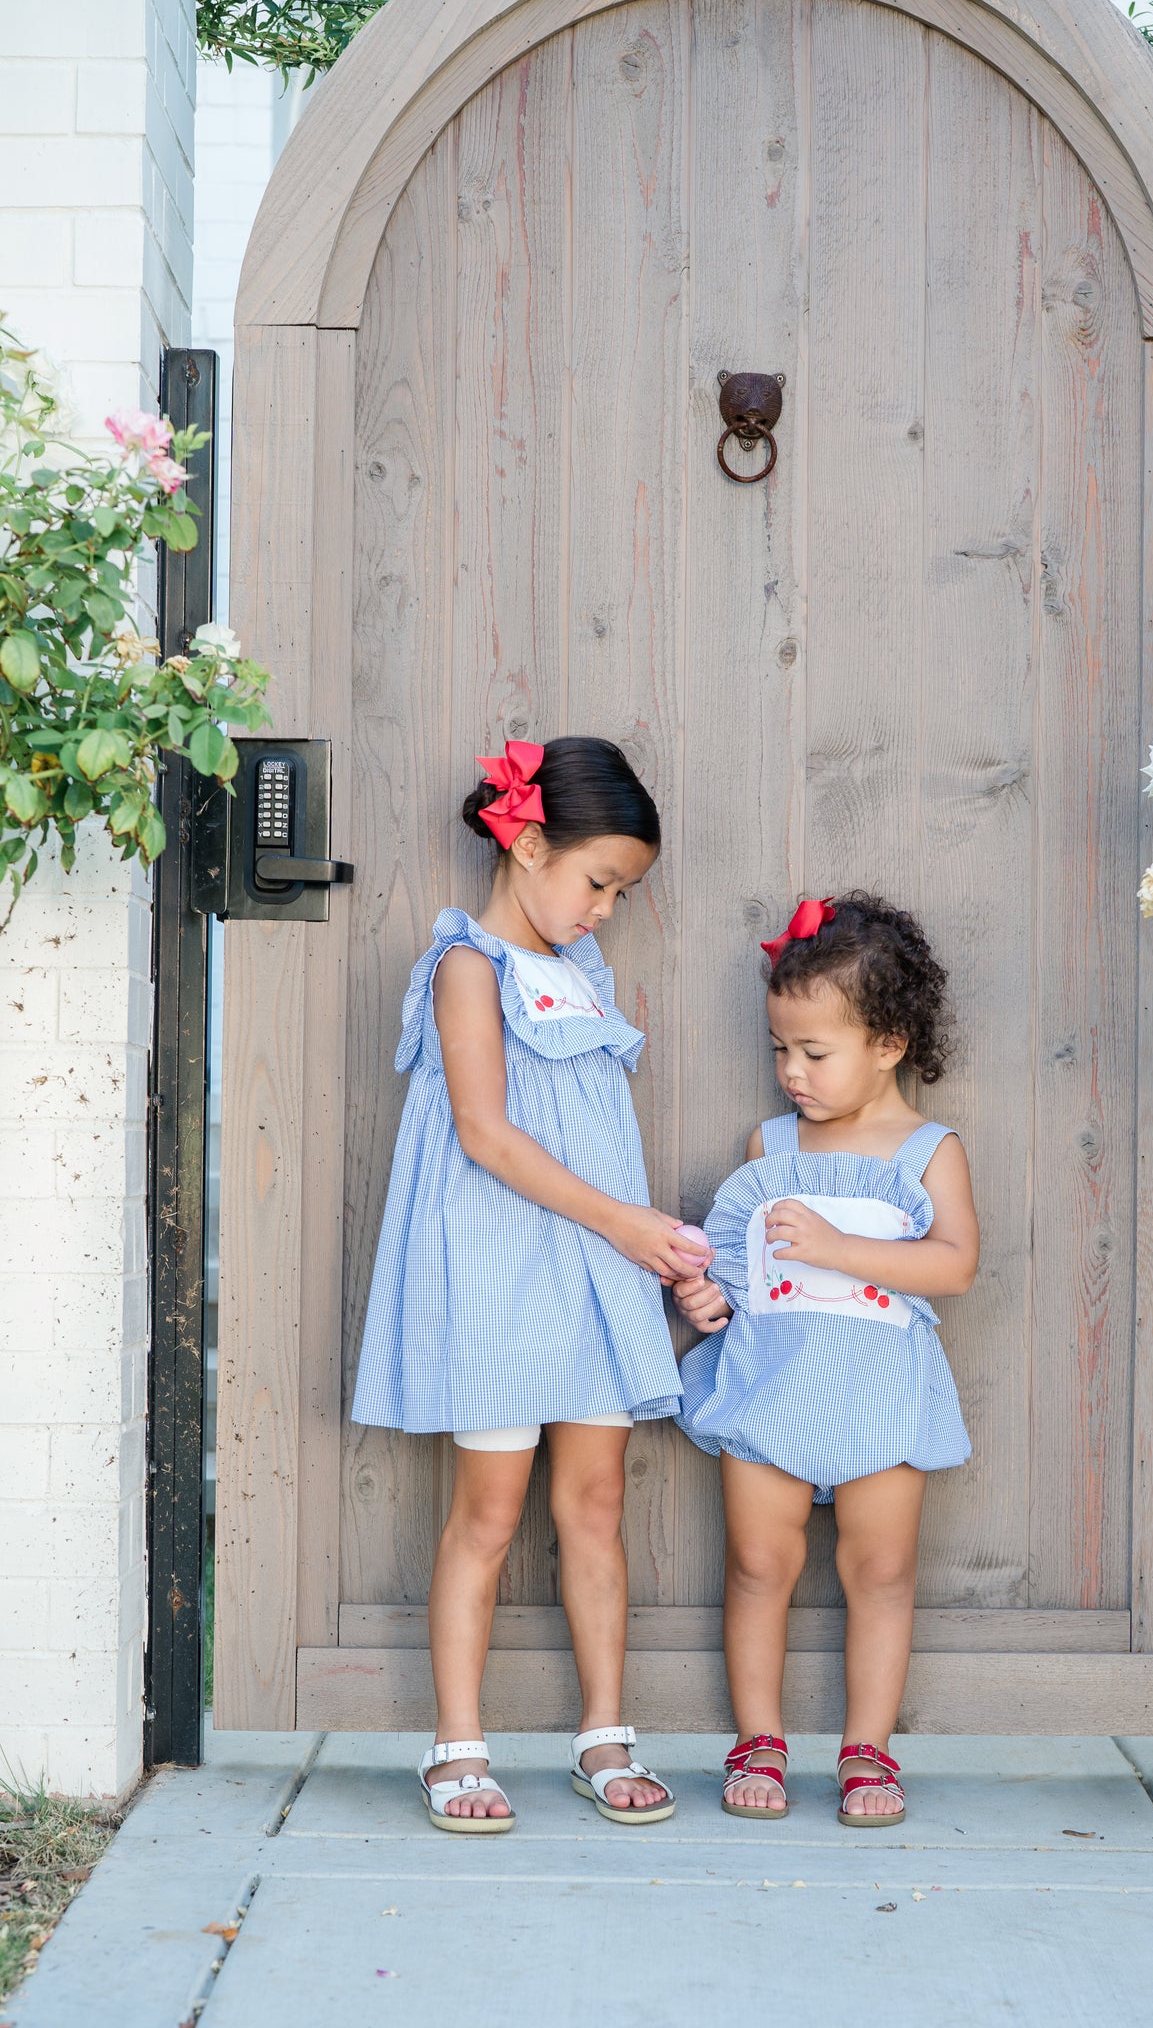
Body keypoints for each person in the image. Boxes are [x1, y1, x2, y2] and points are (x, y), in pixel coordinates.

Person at [353, 737, 706, 1833]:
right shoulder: (469, 966)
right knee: (489, 1512)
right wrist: (631, 1224)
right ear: (528, 840)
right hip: (501, 1271)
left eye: (622, 891)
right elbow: (486, 1133)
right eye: (597, 880)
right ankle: (456, 1744)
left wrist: (642, 1241)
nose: (605, 907)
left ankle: (604, 1731)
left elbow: (590, 1128)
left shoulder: (582, 974)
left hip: (593, 1275)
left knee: (596, 1505)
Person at [673, 893, 978, 1827]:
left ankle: (867, 1751)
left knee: (879, 1573)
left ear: (886, 1044)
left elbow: (954, 1264)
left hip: (880, 1399)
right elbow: (740, 1270)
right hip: (772, 1384)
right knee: (758, 1565)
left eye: (813, 1053)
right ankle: (756, 1739)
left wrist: (842, 1250)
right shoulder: (771, 1147)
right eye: (779, 1049)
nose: (790, 1072)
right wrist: (706, 1296)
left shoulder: (928, 1152)